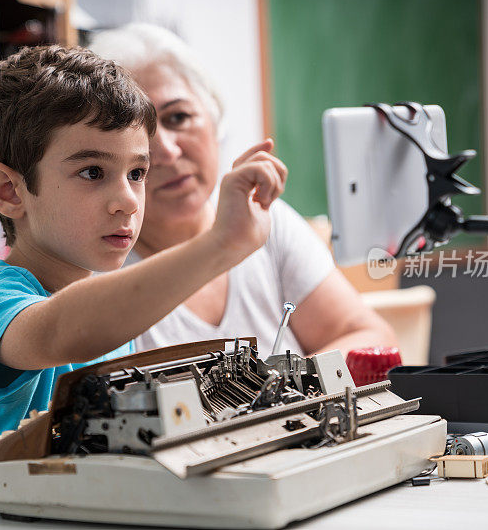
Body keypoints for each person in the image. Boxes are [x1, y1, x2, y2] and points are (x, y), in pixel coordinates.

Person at [0, 45, 286, 522]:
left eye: (137, 172)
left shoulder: (107, 309)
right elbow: (61, 331)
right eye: (93, 172)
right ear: (10, 191)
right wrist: (219, 246)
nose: (128, 200)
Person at [89, 24, 397, 357]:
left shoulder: (262, 219)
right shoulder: (99, 269)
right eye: (140, 133)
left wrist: (278, 396)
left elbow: (371, 338)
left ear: (215, 117)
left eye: (178, 117)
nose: (167, 151)